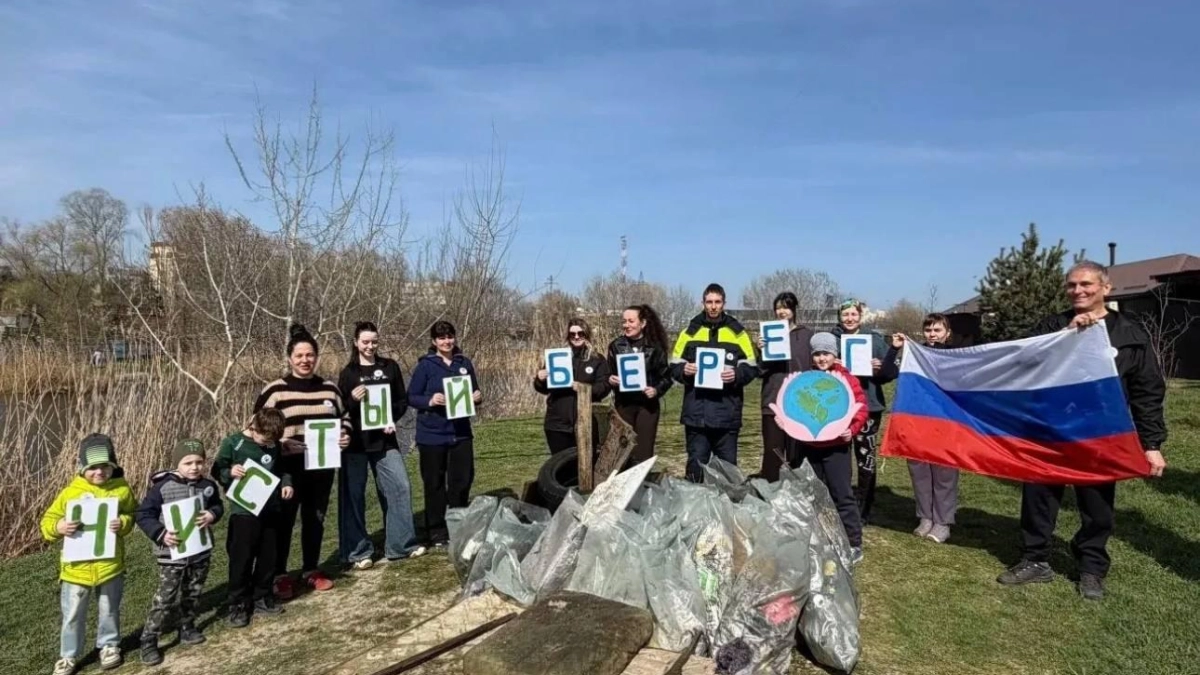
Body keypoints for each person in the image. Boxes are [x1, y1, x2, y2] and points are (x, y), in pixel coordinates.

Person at [998, 260, 1167, 601]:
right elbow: (1024, 363)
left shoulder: (1130, 334)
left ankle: (1091, 567)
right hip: (1050, 430)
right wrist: (1066, 336)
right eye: (1072, 285)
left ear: (1106, 288)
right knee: (1039, 499)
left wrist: (1151, 443)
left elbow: (1147, 391)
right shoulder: (1052, 325)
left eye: (1087, 284)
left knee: (1097, 506)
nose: (1079, 291)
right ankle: (1035, 559)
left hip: (1100, 436)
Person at [253, 324, 351, 598]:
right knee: (284, 521)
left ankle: (310, 569)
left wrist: (345, 435)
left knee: (315, 519)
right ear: (289, 358)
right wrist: (280, 444)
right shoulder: (276, 391)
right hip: (288, 471)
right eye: (299, 356)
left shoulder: (329, 389)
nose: (305, 360)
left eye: (310, 355)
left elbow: (345, 418)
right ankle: (280, 574)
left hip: (321, 467)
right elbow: (256, 429)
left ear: (316, 357)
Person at [40, 434, 137, 675]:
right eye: (92, 467)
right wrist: (58, 527)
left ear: (112, 465)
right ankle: (68, 656)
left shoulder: (122, 489)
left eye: (105, 466)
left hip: (109, 565)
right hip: (76, 569)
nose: (99, 472)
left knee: (109, 609)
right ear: (82, 468)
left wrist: (122, 523)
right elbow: (47, 522)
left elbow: (132, 515)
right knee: (72, 615)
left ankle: (109, 645)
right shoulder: (69, 493)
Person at [337, 321, 425, 571]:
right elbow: (340, 409)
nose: (370, 346)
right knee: (354, 496)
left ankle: (400, 545)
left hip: (385, 441)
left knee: (400, 486)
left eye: (374, 341)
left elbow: (400, 400)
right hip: (355, 444)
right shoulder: (348, 373)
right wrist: (352, 399)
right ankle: (358, 552)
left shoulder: (390, 366)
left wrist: (391, 419)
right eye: (365, 341)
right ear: (356, 342)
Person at [135, 439, 224, 665]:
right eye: (188, 463)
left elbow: (218, 505)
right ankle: (149, 640)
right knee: (165, 598)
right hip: (171, 554)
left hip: (200, 551)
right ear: (177, 464)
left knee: (193, 592)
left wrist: (213, 514)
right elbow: (144, 514)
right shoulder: (162, 487)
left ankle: (187, 626)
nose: (195, 467)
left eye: (199, 462)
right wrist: (160, 533)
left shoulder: (208, 485)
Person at [792, 332, 869, 564]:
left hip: (836, 448)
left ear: (834, 355)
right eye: (817, 354)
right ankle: (820, 538)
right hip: (811, 446)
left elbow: (861, 408)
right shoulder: (806, 380)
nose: (821, 358)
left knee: (842, 494)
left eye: (826, 353)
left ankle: (854, 543)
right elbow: (795, 406)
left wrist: (852, 430)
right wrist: (786, 420)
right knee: (815, 492)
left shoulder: (846, 379)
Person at [670, 283, 759, 481]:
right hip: (696, 415)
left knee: (727, 473)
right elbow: (674, 365)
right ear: (703, 303)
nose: (713, 306)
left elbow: (752, 367)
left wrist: (737, 375)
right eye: (709, 302)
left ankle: (727, 510)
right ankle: (694, 510)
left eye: (717, 302)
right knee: (695, 470)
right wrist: (684, 370)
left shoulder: (738, 332)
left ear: (724, 303)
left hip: (727, 413)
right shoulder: (689, 332)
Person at [213, 408, 291, 627]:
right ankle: (238, 603)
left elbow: (281, 469)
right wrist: (230, 472)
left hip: (270, 508)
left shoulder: (274, 444)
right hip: (244, 512)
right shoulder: (233, 443)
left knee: (268, 557)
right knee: (242, 559)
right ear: (254, 428)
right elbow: (216, 470)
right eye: (264, 439)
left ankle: (262, 596)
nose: (268, 444)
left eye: (272, 441)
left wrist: (286, 484)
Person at [408, 320, 482, 547]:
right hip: (432, 434)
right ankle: (437, 529)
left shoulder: (463, 363)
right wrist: (430, 400)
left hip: (460, 433)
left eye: (450, 336)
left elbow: (475, 391)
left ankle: (457, 523)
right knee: (434, 483)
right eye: (441, 338)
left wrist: (477, 396)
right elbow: (411, 396)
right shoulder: (426, 366)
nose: (446, 341)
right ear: (434, 342)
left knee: (461, 480)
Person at [889, 314, 960, 543]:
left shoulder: (956, 357)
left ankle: (943, 521)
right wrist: (900, 348)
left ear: (947, 333)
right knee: (919, 472)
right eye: (928, 330)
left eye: (937, 330)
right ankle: (925, 517)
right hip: (919, 422)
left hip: (946, 423)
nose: (932, 334)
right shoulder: (915, 356)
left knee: (944, 474)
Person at [830, 298, 896, 523]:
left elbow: (891, 372)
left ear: (860, 316)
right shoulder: (833, 339)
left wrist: (880, 367)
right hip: (839, 407)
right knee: (839, 457)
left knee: (865, 457)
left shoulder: (874, 339)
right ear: (840, 317)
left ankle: (864, 507)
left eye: (853, 315)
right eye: (845, 314)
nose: (849, 319)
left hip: (869, 406)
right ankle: (841, 503)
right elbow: (818, 364)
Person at [756, 291, 815, 481]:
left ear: (794, 309)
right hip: (773, 401)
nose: (782, 312)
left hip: (799, 403)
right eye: (778, 308)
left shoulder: (807, 336)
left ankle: (799, 496)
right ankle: (771, 493)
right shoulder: (767, 335)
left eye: (786, 307)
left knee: (797, 453)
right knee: (773, 452)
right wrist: (761, 352)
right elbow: (759, 371)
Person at [606, 305, 673, 463]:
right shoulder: (615, 346)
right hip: (624, 404)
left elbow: (666, 377)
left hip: (647, 407)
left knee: (643, 453)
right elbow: (607, 374)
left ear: (642, 323)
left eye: (631, 321)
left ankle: (643, 484)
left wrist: (656, 390)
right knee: (621, 451)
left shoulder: (655, 348)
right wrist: (610, 379)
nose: (626, 325)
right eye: (624, 321)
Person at [534, 318, 610, 454]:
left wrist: (583, 389)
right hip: (557, 424)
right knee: (561, 466)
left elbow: (604, 387)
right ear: (568, 337)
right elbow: (544, 389)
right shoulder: (557, 358)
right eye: (572, 334)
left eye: (580, 333)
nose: (576, 337)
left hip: (586, 422)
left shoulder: (597, 359)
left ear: (586, 335)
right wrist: (540, 379)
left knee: (586, 466)